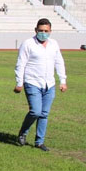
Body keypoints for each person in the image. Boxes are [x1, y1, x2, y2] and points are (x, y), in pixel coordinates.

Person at [14, 18, 67, 152]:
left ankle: (39, 142)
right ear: (36, 30)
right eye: (40, 31)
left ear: (50, 31)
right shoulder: (28, 44)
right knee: (35, 111)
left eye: (46, 31)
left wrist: (63, 81)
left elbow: (59, 62)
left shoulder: (54, 44)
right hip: (32, 82)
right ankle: (23, 132)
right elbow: (21, 64)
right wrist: (19, 82)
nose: (43, 33)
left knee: (44, 114)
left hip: (49, 84)